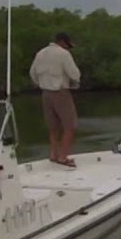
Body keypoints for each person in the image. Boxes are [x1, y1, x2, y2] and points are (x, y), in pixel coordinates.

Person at [29, 31, 81, 167]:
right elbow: (75, 74)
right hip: (61, 93)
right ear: (63, 42)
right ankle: (63, 157)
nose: (68, 48)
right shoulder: (63, 54)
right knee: (69, 126)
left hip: (45, 94)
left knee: (53, 127)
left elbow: (32, 73)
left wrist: (41, 83)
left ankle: (53, 154)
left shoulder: (40, 53)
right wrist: (74, 82)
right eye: (67, 45)